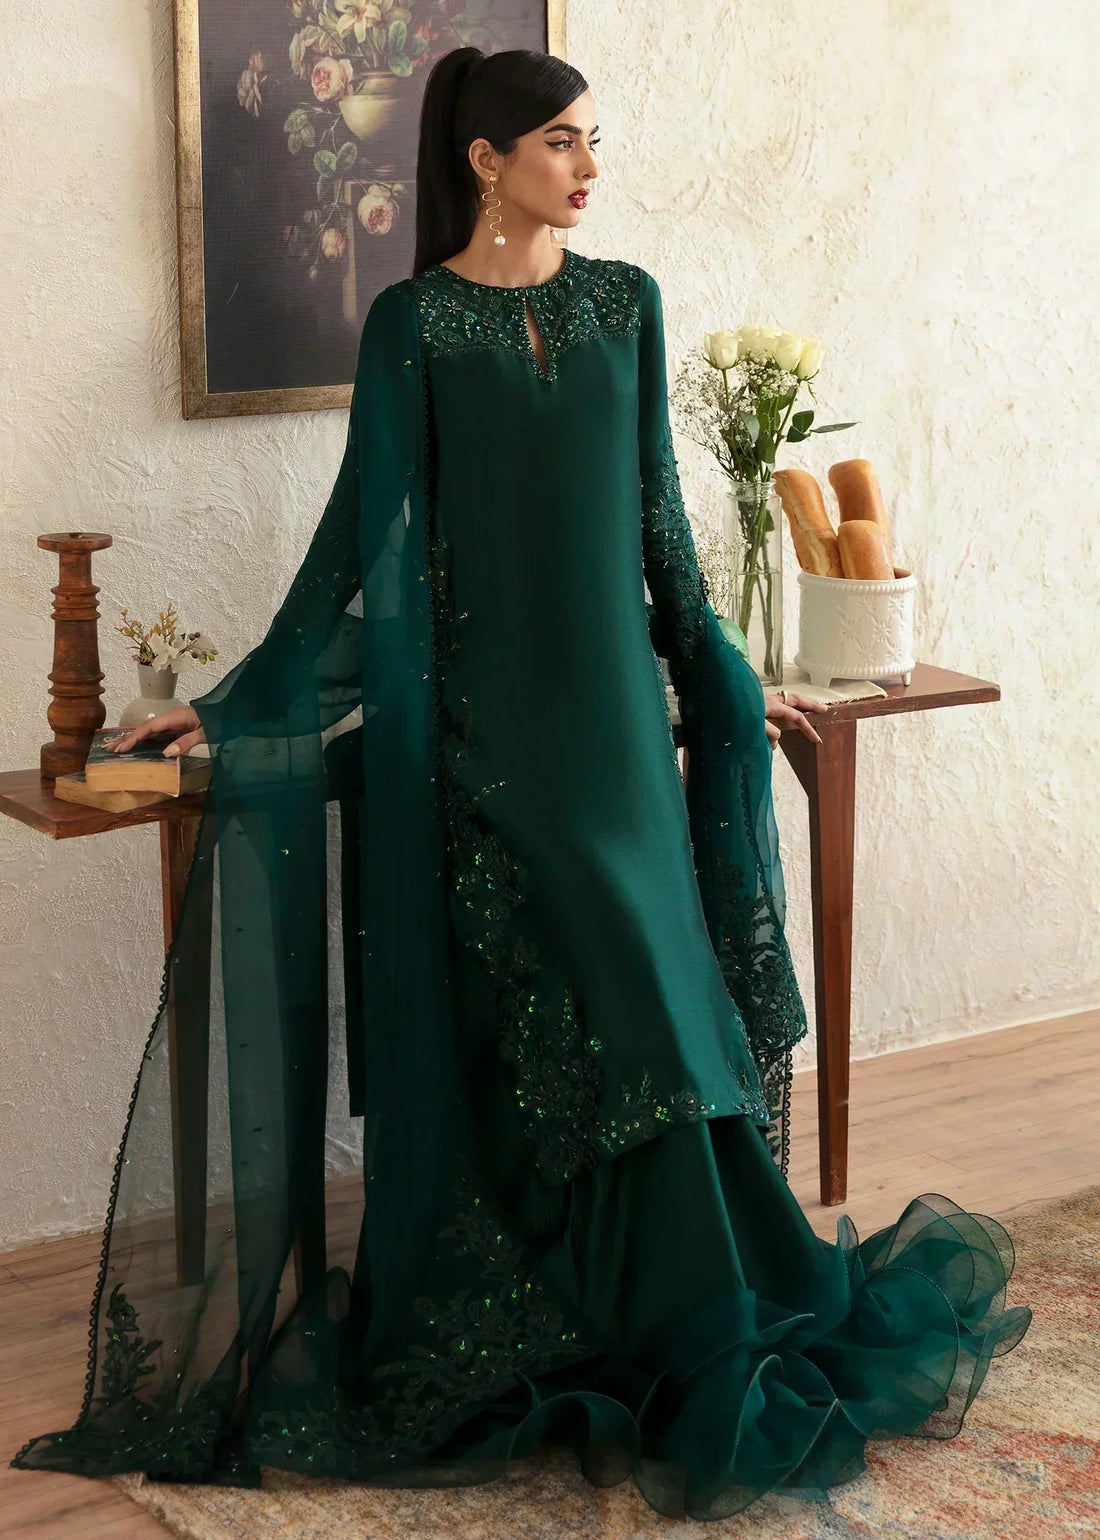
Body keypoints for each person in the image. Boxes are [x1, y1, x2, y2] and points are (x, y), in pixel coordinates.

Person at [10, 47, 1030, 1523]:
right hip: (483, 738)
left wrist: (728, 679)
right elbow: (359, 536)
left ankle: (693, 1304)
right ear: (485, 160)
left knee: (655, 999)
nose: (589, 168)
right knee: (555, 1018)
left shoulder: (629, 305)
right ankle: (598, 1306)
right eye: (561, 142)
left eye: (593, 140)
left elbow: (660, 531)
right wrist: (231, 704)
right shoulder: (413, 325)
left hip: (616, 730)